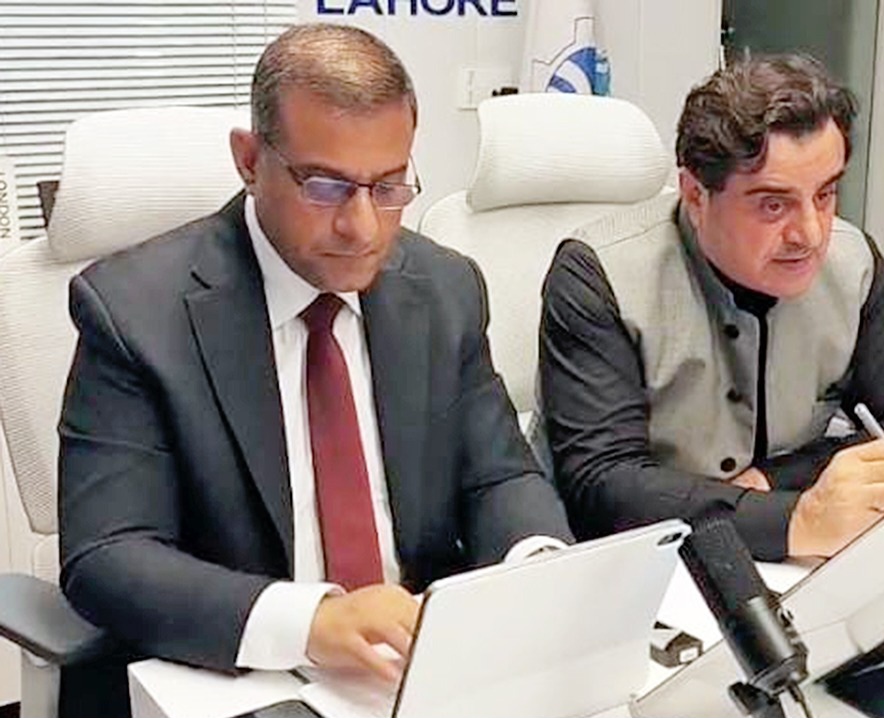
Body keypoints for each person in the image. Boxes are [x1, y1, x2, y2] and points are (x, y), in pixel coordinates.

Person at [57, 23, 572, 716]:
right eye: (326, 187)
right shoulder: (133, 312)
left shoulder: (444, 290)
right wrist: (313, 621)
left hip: (411, 672)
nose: (363, 228)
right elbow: (108, 555)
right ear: (249, 160)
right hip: (240, 681)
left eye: (389, 187)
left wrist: (538, 573)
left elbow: (499, 475)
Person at [538, 53, 884, 563]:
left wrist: (778, 480)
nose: (810, 234)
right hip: (646, 570)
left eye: (826, 194)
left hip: (796, 566)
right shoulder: (598, 275)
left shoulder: (851, 262)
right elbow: (603, 486)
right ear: (696, 196)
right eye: (773, 204)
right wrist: (796, 521)